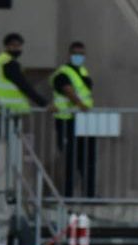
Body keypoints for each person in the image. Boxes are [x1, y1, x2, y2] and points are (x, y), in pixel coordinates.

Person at [0, 33, 49, 140]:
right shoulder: (8, 63)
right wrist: (44, 104)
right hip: (5, 112)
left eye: (19, 46)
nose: (17, 48)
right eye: (13, 46)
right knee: (5, 147)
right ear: (6, 46)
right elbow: (24, 85)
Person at [51, 41, 95, 198]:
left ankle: (90, 194)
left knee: (87, 159)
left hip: (83, 121)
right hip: (66, 120)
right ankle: (68, 195)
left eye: (81, 54)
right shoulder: (63, 73)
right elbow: (67, 90)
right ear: (69, 55)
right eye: (76, 53)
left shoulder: (83, 71)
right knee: (70, 159)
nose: (79, 56)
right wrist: (80, 104)